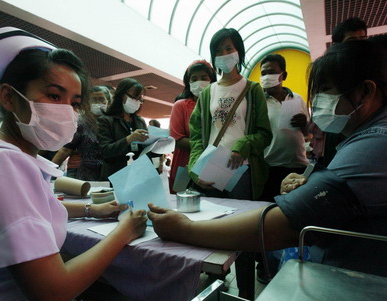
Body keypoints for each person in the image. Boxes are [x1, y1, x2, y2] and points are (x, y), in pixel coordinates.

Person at [0, 27, 147, 301]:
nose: (67, 112)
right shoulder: (2, 166)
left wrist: (92, 211)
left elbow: (30, 208)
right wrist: (124, 231)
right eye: (54, 96)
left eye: (75, 103)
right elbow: (52, 293)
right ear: (8, 97)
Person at [149, 39, 387, 277]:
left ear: (365, 91)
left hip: (243, 174)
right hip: (209, 175)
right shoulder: (364, 138)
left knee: (242, 248)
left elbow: (283, 225)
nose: (318, 101)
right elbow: (198, 137)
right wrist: (196, 168)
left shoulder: (375, 146)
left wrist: (185, 229)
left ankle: (244, 289)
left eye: (325, 89)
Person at [188, 28, 272, 200]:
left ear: (238, 52)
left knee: (240, 219)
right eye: (218, 51)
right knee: (213, 221)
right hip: (211, 168)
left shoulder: (253, 90)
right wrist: (195, 169)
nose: (224, 54)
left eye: (228, 48)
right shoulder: (207, 94)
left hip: (241, 168)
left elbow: (265, 134)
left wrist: (242, 146)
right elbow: (196, 137)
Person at [310, 17, 368, 166]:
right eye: (352, 42)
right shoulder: (332, 73)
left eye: (363, 40)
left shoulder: (375, 73)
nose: (359, 47)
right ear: (337, 46)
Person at [259, 54, 309, 202]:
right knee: (271, 206)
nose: (267, 76)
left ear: (283, 75)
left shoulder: (298, 99)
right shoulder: (258, 103)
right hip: (270, 167)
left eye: (272, 72)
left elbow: (308, 134)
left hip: (298, 166)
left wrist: (304, 124)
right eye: (263, 73)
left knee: (295, 206)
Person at [168, 60, 217, 193]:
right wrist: (208, 148)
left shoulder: (219, 104)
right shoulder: (181, 105)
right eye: (194, 79)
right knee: (184, 205)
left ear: (212, 80)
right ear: (188, 83)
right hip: (185, 165)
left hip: (214, 165)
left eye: (204, 78)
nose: (199, 82)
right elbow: (177, 139)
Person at [52, 85, 110, 180]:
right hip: (87, 176)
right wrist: (49, 171)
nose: (98, 103)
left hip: (110, 174)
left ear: (108, 101)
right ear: (88, 102)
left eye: (101, 99)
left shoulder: (113, 122)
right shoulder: (82, 123)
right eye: (94, 99)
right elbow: (65, 150)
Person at [97, 78, 148, 179]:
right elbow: (105, 151)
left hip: (137, 174)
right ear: (121, 95)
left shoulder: (139, 121)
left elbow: (145, 149)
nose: (136, 102)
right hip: (115, 175)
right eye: (134, 97)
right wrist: (129, 139)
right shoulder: (105, 120)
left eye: (140, 100)